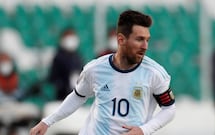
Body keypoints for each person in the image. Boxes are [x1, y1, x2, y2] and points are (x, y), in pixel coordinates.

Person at [30, 10, 176, 135]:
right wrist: (47, 122)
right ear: (121, 40)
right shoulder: (95, 69)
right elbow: (78, 96)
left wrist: (144, 130)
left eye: (147, 40)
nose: (145, 46)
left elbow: (169, 109)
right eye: (139, 39)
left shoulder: (154, 73)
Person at [0, 52, 39, 135]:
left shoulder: (16, 77)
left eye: (6, 61)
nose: (5, 64)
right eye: (2, 61)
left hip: (16, 108)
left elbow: (22, 94)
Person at [48, 27, 84, 100]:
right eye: (68, 36)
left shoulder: (78, 57)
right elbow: (53, 79)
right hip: (62, 97)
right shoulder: (58, 57)